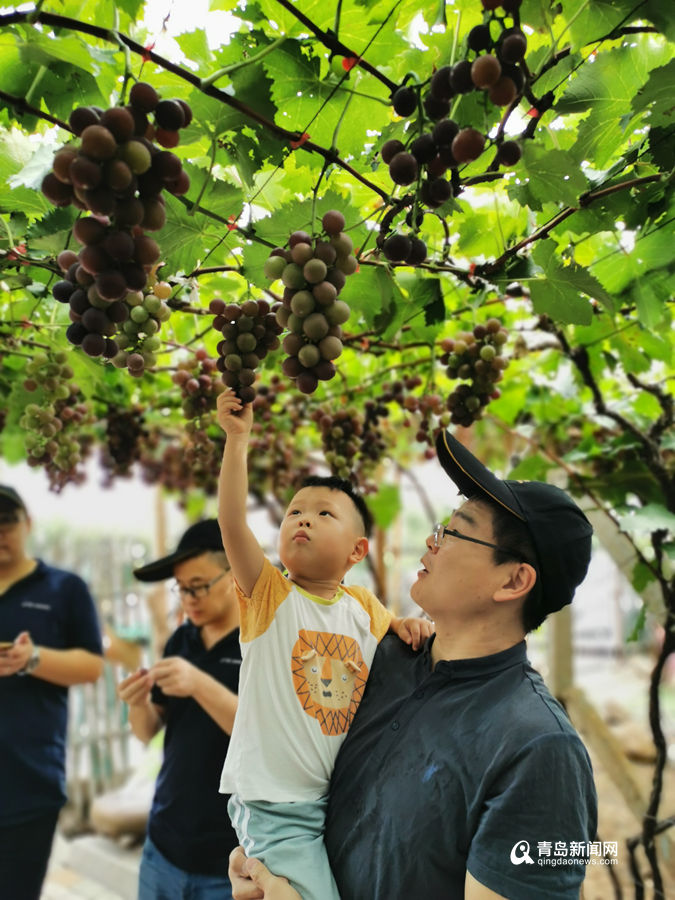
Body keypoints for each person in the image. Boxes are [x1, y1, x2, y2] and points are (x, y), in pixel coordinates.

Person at [228, 428, 599, 900]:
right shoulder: (381, 657)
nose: (431, 539)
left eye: (456, 530)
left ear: (513, 581)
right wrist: (261, 865)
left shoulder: (541, 751)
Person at [215, 389, 433, 900]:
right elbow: (231, 523)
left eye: (323, 514)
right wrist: (238, 440)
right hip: (273, 802)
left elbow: (397, 629)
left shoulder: (363, 607)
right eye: (295, 512)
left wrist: (410, 625)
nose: (303, 519)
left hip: (329, 799)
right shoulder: (269, 594)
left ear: (358, 550)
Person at [117, 519, 241, 900]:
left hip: (231, 859)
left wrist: (199, 684)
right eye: (182, 589)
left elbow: (265, 737)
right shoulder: (181, 639)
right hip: (164, 845)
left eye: (199, 586)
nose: (189, 599)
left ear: (235, 571)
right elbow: (148, 730)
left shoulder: (264, 644)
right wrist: (137, 705)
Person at [0, 485, 104, 900]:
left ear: (27, 524)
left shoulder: (64, 588)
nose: (0, 532)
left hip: (30, 781)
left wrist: (33, 659)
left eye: (7, 522)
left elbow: (93, 667)